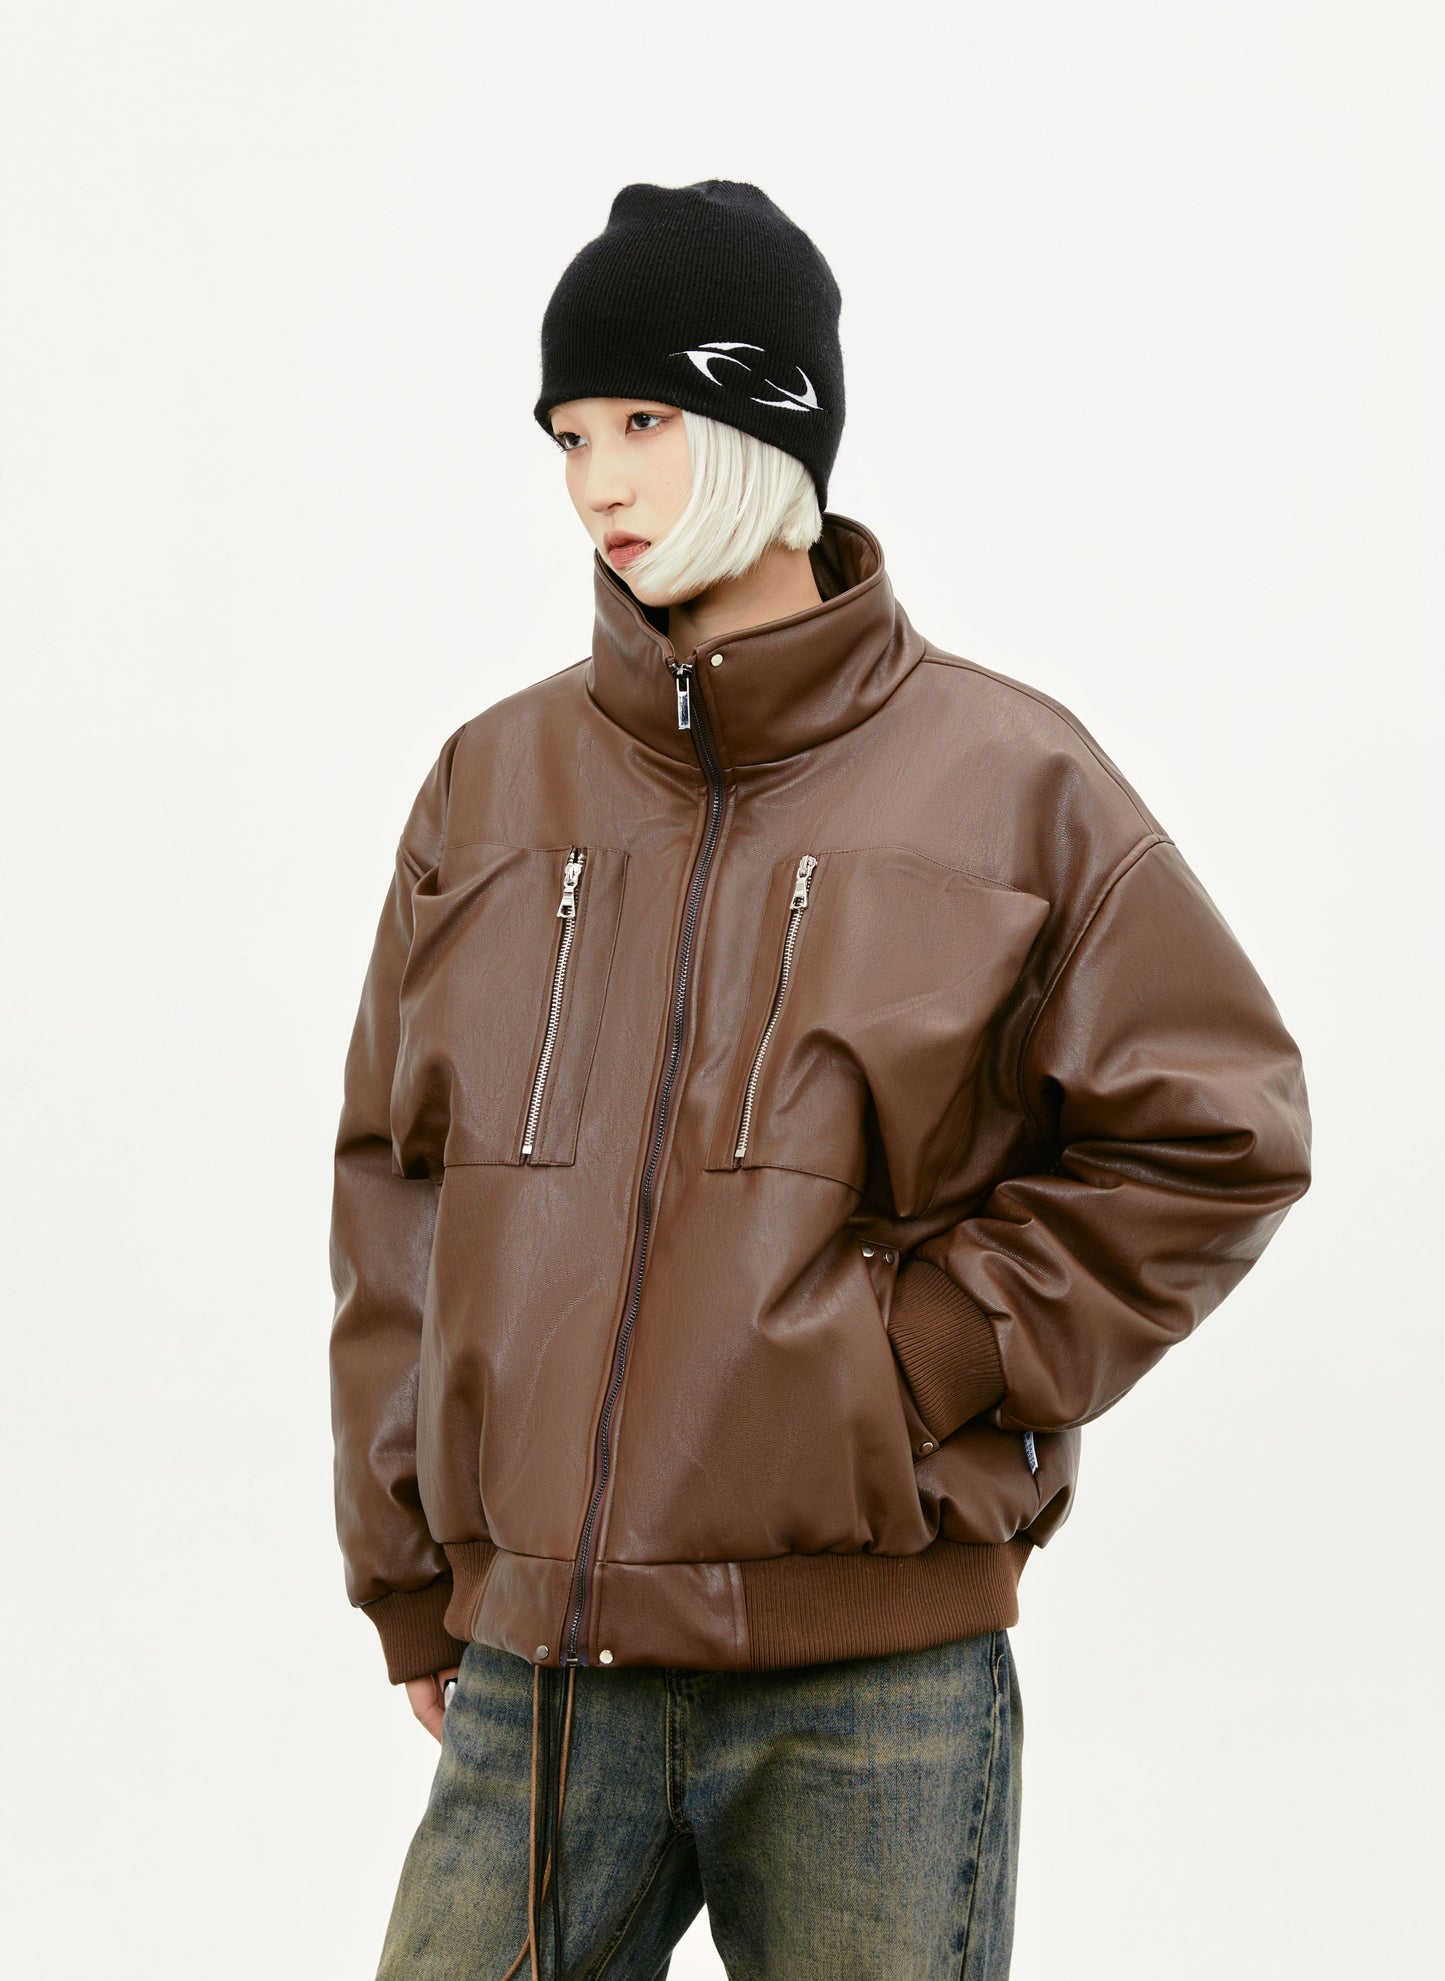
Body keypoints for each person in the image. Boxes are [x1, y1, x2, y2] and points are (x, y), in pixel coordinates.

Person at [328, 179, 1312, 1980]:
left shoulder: (1009, 780)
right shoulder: (491, 783)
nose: (597, 484)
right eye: (568, 436)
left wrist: (912, 1360)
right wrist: (406, 1562)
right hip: (542, 1671)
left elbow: (1214, 1131)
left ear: (771, 425)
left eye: (645, 421)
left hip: (874, 1683)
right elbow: (395, 1184)